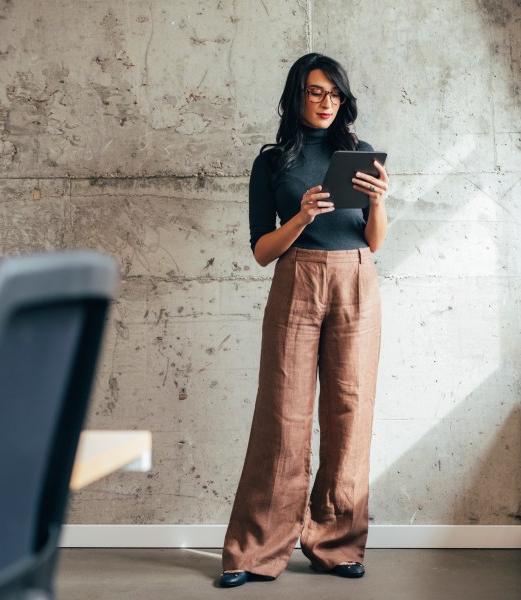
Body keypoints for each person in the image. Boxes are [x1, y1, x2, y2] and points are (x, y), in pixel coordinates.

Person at [219, 53, 389, 588]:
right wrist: (302, 217)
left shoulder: (358, 153)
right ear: (297, 95)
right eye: (316, 92)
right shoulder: (272, 162)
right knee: (282, 416)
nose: (326, 102)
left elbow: (374, 241)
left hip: (356, 279)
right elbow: (261, 250)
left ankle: (338, 545)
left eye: (334, 94)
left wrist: (380, 202)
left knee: (350, 413)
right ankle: (255, 551)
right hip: (296, 277)